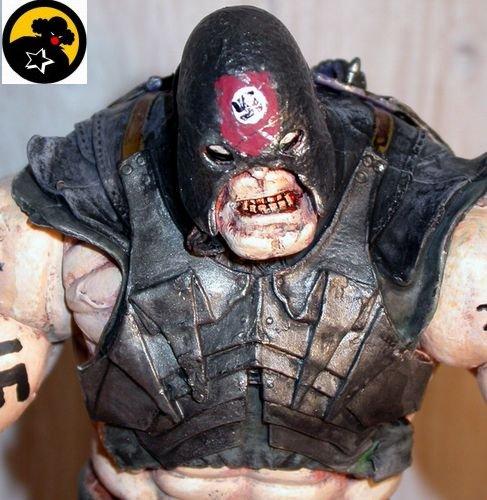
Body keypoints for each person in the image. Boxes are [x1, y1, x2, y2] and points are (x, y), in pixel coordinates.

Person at [0, 6, 485, 499]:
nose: (262, 181)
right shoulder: (83, 193)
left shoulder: (424, 204)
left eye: (288, 146)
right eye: (223, 158)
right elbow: (13, 321)